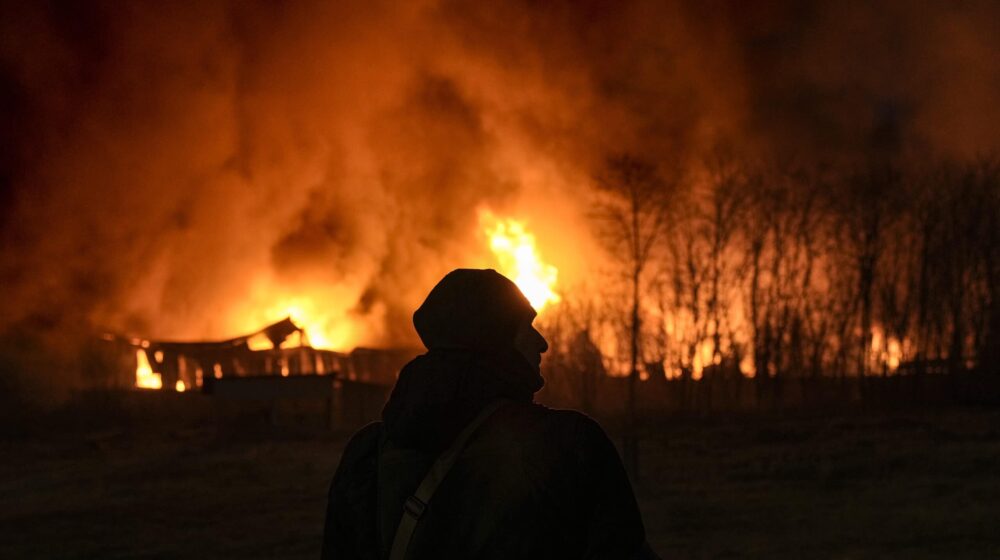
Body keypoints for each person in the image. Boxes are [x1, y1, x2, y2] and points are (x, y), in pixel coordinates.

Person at [322, 269, 657, 559]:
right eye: (525, 326)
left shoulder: (366, 456)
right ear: (493, 338)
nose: (542, 343)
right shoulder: (569, 445)